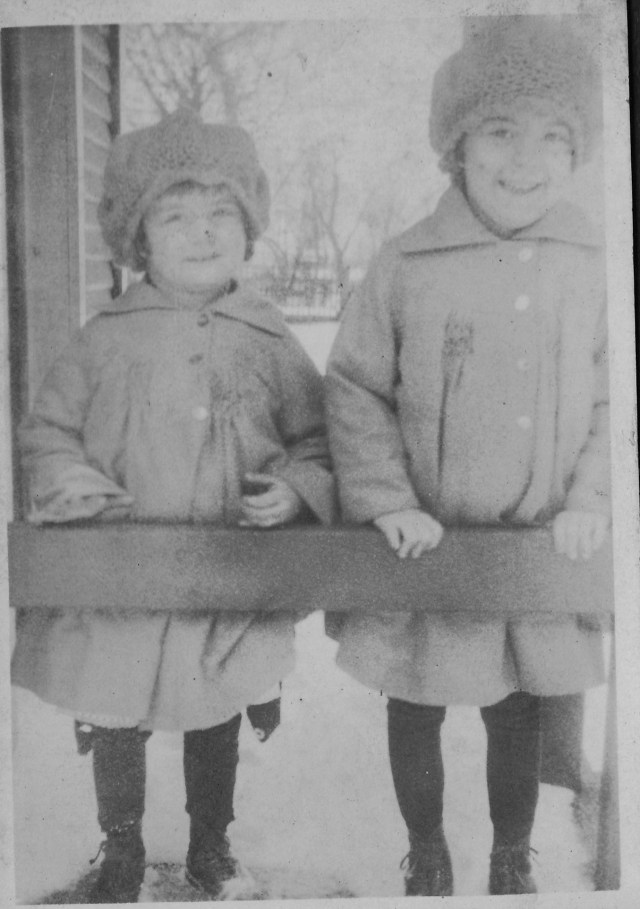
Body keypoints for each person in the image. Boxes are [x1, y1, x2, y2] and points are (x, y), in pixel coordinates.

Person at [12, 109, 334, 904]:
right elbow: (48, 431)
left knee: (213, 709)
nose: (201, 232)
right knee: (116, 712)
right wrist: (73, 482)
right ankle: (120, 844)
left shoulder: (268, 338)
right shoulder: (104, 338)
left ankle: (211, 845)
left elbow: (320, 438)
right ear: (138, 236)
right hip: (120, 571)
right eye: (175, 215)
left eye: (221, 213)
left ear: (248, 228)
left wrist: (297, 487)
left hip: (227, 573)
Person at [325, 16, 608, 897]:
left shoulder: (594, 264)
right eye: (500, 131)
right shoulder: (407, 263)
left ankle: (510, 853)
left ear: (579, 153)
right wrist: (385, 499)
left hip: (537, 550)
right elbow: (357, 386)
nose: (526, 159)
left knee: (516, 706)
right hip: (425, 543)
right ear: (456, 144)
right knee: (414, 697)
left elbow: (614, 396)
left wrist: (593, 495)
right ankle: (427, 847)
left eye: (553, 137)